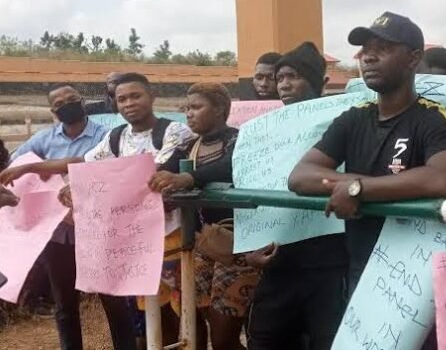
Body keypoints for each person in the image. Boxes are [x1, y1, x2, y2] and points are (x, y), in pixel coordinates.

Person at [288, 11, 446, 350]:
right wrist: (361, 184)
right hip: (364, 268)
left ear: (413, 59)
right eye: (365, 49)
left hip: (418, 277)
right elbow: (301, 176)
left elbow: (442, 178)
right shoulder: (353, 119)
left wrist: (359, 188)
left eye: (382, 48)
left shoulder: (432, 118)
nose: (368, 56)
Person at [0, 84, 136, 350]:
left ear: (83, 101)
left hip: (97, 231)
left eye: (72, 99)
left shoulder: (106, 135)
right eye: (60, 102)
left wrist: (37, 167)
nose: (67, 104)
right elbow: (15, 165)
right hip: (58, 233)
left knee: (112, 300)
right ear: (53, 110)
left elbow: (90, 163)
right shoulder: (43, 139)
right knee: (64, 305)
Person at [245, 41, 347, 350]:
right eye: (280, 78)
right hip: (278, 262)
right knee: (265, 340)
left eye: (294, 76)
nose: (284, 85)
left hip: (331, 264)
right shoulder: (261, 131)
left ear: (321, 82)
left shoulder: (345, 119)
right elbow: (241, 173)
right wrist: (249, 244)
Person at [149, 83, 259, 350]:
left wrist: (189, 177)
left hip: (239, 246)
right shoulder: (188, 147)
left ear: (220, 108)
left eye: (196, 107)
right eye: (186, 108)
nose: (189, 114)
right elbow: (162, 172)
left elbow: (231, 166)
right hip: (204, 244)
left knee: (223, 338)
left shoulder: (241, 140)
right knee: (208, 328)